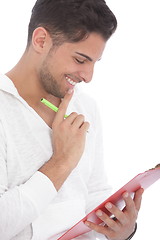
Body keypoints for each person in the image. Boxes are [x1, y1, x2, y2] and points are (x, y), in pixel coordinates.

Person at [0, 0, 144, 239]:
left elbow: (93, 194)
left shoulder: (86, 106)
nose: (88, 77)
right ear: (41, 41)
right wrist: (62, 162)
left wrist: (121, 230)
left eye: (94, 63)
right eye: (80, 60)